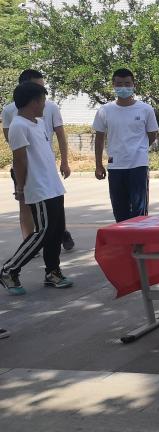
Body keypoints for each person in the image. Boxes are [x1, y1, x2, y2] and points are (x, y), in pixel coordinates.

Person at [1, 82, 71, 295]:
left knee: (56, 231)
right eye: (42, 100)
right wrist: (20, 187)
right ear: (33, 102)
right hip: (38, 187)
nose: (44, 105)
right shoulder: (18, 126)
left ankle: (52, 272)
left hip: (53, 185)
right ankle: (9, 270)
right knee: (42, 233)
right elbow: (19, 160)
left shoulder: (38, 123)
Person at [92, 68, 159, 222]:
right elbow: (99, 138)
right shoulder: (105, 111)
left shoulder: (146, 109)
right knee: (119, 209)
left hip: (138, 165)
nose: (123, 87)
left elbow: (152, 135)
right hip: (116, 166)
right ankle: (123, 236)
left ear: (134, 85)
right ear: (113, 85)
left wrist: (140, 149)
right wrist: (98, 165)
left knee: (139, 211)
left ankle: (139, 237)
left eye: (127, 84)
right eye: (119, 84)